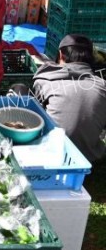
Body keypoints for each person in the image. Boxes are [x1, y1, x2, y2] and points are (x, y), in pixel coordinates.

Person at [33, 34, 106, 162]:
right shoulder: (102, 85)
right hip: (88, 158)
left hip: (50, 154)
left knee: (20, 89)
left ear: (61, 55)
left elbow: (34, 117)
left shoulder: (46, 80)